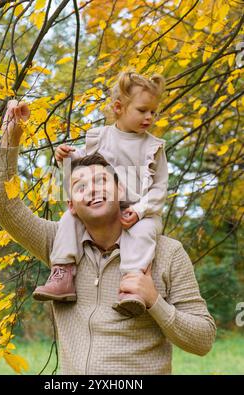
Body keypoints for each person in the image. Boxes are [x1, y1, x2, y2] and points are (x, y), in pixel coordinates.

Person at [0, 97, 216, 375]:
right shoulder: (58, 244)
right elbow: (5, 207)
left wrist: (155, 301)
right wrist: (10, 139)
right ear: (71, 204)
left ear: (120, 191)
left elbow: (203, 340)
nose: (92, 189)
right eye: (80, 185)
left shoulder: (167, 253)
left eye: (101, 181)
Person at [32, 70, 168, 317]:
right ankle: (63, 272)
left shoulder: (153, 147)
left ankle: (132, 286)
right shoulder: (101, 137)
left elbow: (160, 188)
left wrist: (139, 211)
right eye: (142, 110)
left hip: (138, 212)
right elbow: (83, 167)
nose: (149, 117)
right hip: (103, 209)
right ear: (118, 107)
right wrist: (65, 157)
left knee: (144, 232)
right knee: (69, 219)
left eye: (153, 112)